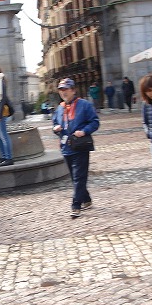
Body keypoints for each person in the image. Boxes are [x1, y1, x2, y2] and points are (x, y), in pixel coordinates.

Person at [52, 78, 100, 218]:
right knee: (75, 177)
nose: (63, 92)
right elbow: (54, 123)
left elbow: (95, 122)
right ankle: (86, 199)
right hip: (66, 147)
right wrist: (56, 128)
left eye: (66, 89)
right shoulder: (60, 108)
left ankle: (76, 205)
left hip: (80, 146)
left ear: (73, 90)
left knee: (79, 176)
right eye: (61, 90)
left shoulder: (84, 105)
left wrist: (84, 131)